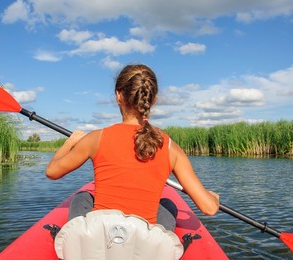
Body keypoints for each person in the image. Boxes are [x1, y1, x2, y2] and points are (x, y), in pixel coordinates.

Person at [45, 64, 219, 232]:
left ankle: (78, 236)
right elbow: (209, 208)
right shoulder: (169, 147)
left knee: (82, 197)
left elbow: (52, 172)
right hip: (144, 240)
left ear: (118, 96)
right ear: (154, 100)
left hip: (100, 234)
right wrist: (213, 198)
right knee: (167, 204)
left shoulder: (95, 138)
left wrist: (71, 142)